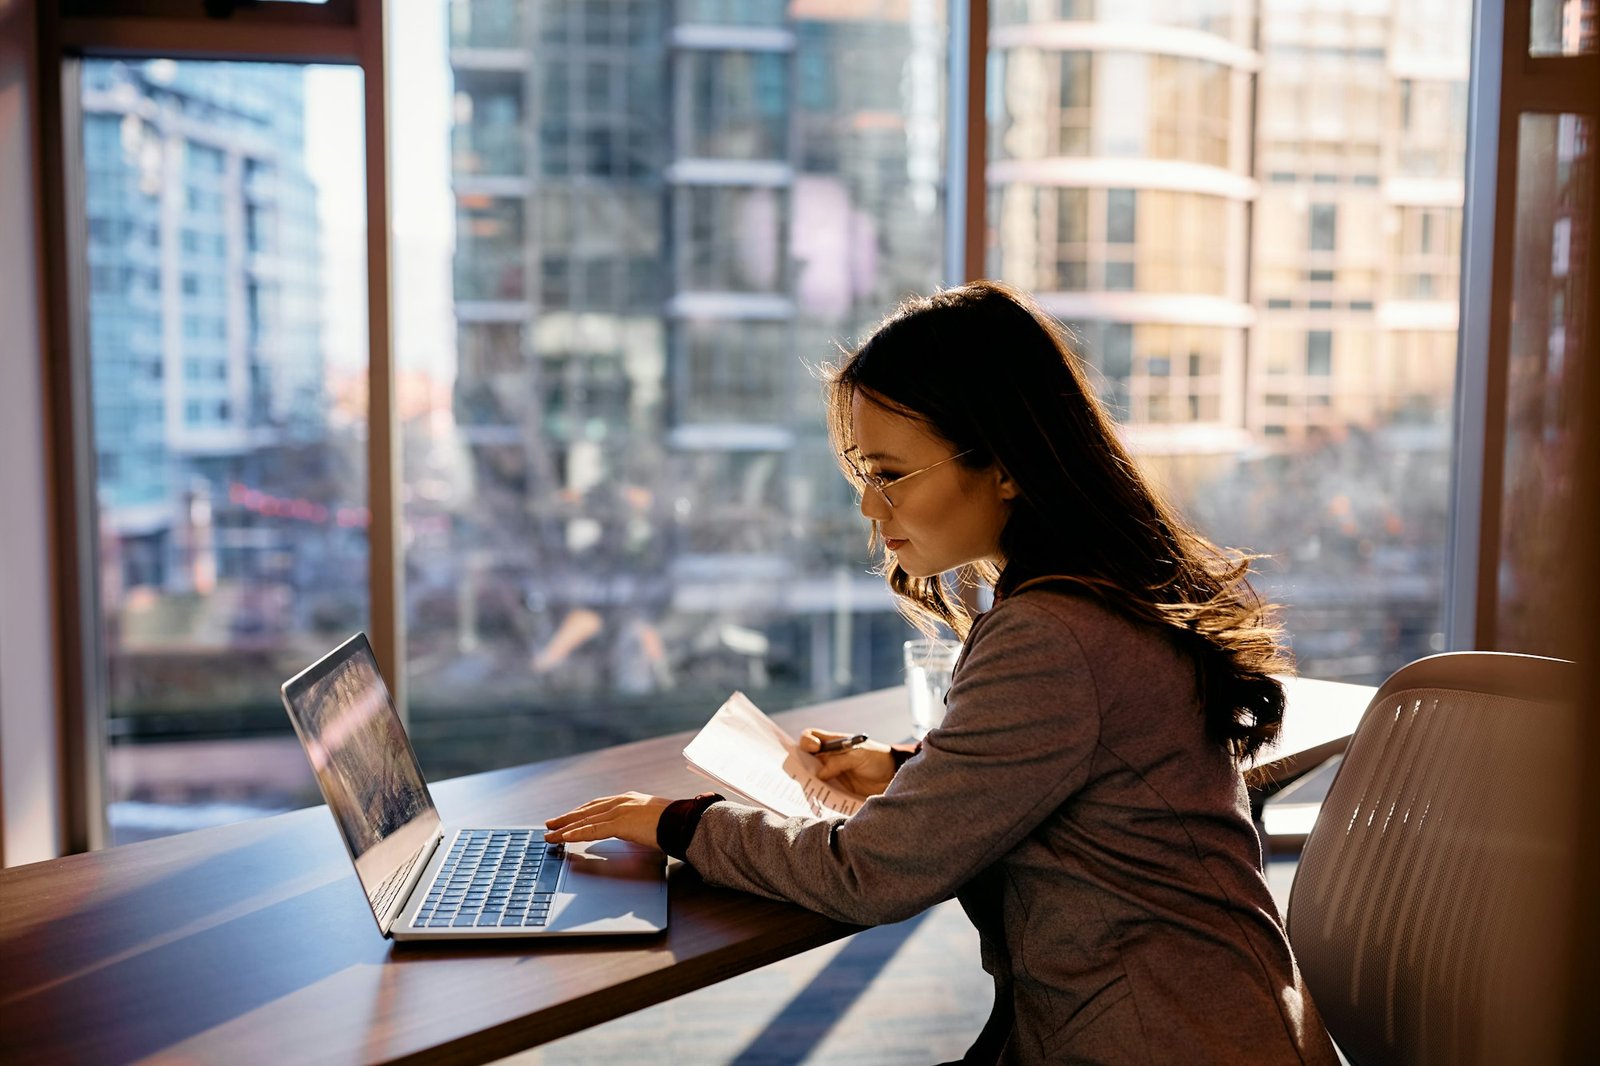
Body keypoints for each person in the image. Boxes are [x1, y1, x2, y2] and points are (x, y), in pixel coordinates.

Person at [545, 281, 1338, 1065]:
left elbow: (870, 874)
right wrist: (902, 770)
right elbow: (1086, 782)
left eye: (890, 474)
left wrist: (678, 823)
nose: (868, 507)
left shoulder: (1051, 634)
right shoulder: (1103, 597)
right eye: (865, 473)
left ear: (1004, 466)